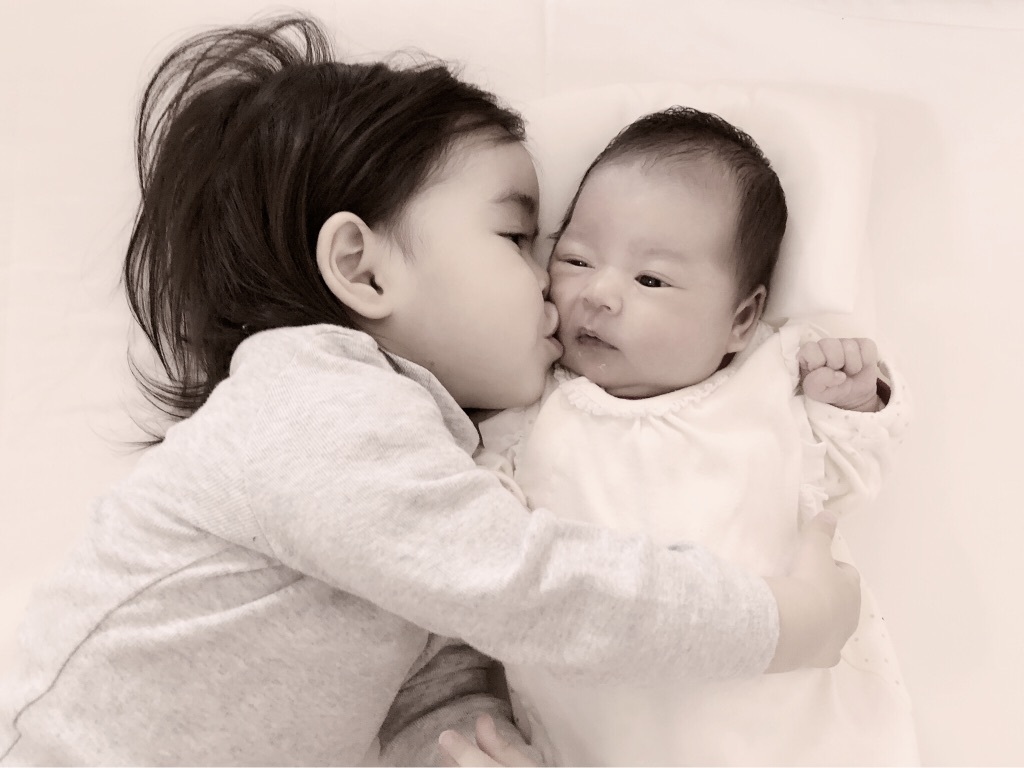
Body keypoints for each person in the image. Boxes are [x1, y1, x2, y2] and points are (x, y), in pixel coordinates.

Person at [0, 18, 861, 766]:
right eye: (519, 237)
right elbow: (527, 587)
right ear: (362, 268)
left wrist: (475, 745)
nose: (552, 283)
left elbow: (431, 671)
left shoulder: (425, 467)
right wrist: (780, 623)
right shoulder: (308, 399)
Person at [474, 107, 919, 766]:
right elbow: (478, 535)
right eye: (575, 258)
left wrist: (852, 401)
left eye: (650, 279)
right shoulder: (533, 407)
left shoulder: (772, 379)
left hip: (784, 732)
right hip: (600, 739)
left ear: (741, 319)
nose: (598, 293)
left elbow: (847, 481)